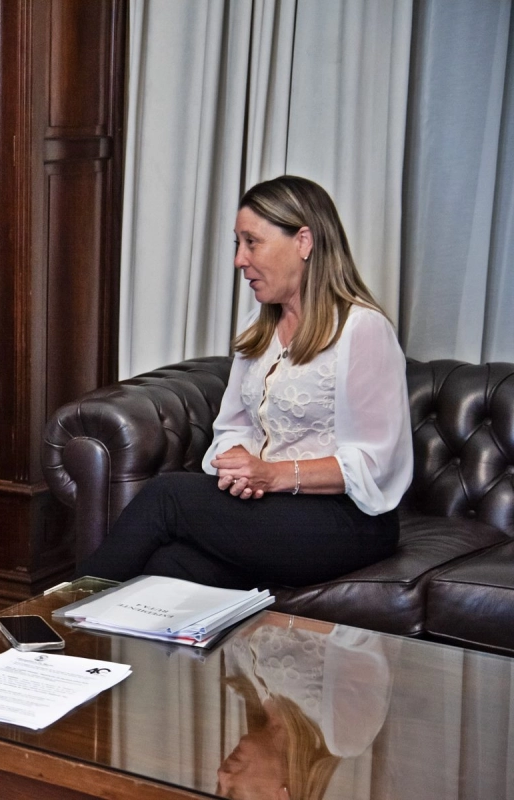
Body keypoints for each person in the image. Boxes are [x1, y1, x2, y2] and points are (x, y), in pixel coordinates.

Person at [77, 175, 413, 589]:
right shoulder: (261, 326)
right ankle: (92, 645)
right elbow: (233, 425)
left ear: (304, 241)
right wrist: (238, 464)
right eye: (238, 244)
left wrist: (270, 475)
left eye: (252, 242)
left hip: (349, 520)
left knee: (168, 497)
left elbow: (377, 465)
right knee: (168, 564)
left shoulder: (362, 330)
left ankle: (52, 619)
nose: (239, 259)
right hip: (272, 511)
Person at [216, 617, 393, 800]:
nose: (222, 774)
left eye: (217, 786)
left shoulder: (239, 686)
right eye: (233, 795)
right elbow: (369, 629)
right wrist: (278, 616)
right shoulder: (346, 734)